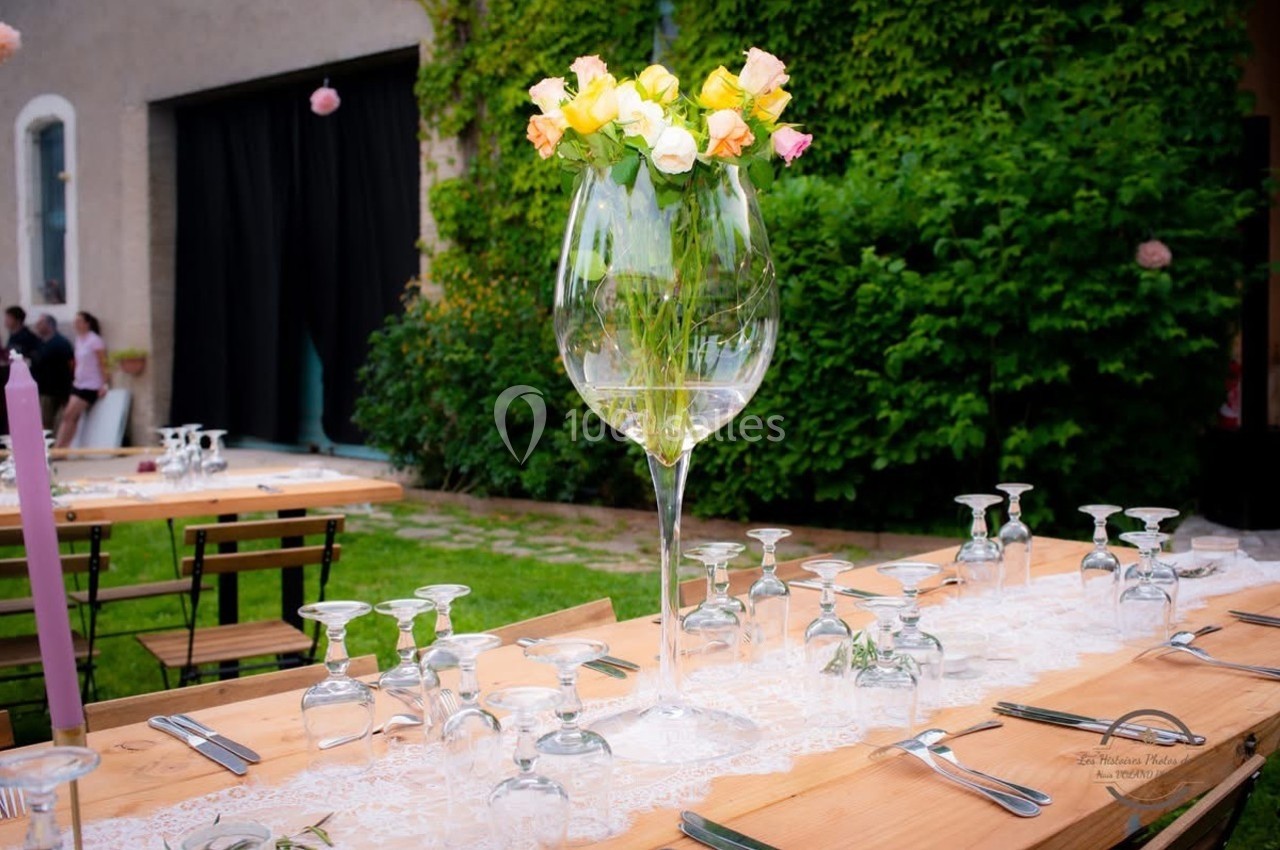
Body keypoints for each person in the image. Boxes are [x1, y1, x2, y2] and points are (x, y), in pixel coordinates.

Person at [54, 311, 108, 448]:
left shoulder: (94, 340)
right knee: (70, 417)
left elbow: (102, 362)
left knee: (69, 415)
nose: (76, 324)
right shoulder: (79, 340)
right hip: (79, 383)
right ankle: (62, 446)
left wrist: (104, 383)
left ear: (87, 323)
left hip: (91, 385)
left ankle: (60, 447)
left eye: (79, 321)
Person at [31, 314, 73, 431]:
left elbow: (71, 364)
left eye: (40, 323)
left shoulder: (61, 343)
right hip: (44, 390)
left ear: (49, 325)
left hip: (58, 389)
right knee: (44, 421)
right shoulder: (40, 343)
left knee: (59, 421)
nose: (37, 326)